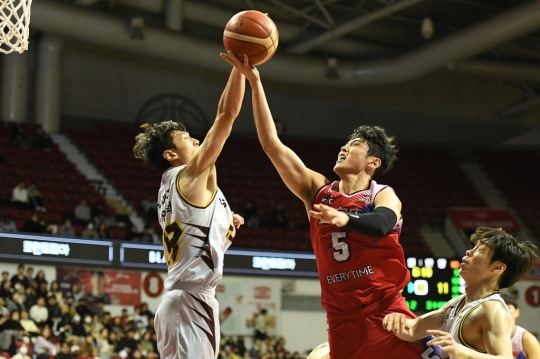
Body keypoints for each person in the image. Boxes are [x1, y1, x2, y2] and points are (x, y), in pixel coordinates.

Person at [224, 53, 434, 358]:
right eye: (345, 144)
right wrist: (255, 83)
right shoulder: (318, 191)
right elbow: (271, 143)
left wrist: (345, 219)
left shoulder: (382, 194)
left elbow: (381, 225)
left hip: (386, 312)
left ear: (374, 162)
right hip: (341, 321)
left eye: (355, 145)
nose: (344, 147)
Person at [132, 55, 246, 359]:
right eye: (186, 138)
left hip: (190, 299)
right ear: (171, 154)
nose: (196, 139)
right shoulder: (189, 175)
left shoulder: (179, 184)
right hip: (189, 300)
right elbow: (227, 114)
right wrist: (241, 67)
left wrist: (226, 228)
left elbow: (198, 242)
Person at [383, 227, 539, 359]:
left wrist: (460, 351)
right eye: (473, 247)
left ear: (497, 268)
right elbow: (413, 329)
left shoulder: (492, 310)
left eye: (481, 250)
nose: (469, 252)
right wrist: (396, 319)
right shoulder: (458, 303)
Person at [501, 293, 540, 359]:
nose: (504, 311)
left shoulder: (527, 339)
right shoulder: (487, 336)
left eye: (508, 308)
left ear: (517, 312)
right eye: (501, 308)